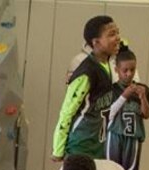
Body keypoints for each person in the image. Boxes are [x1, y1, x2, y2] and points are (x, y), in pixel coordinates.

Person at [52, 16, 122, 161]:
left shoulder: (108, 64)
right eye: (111, 34)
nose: (117, 38)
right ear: (95, 42)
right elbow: (67, 111)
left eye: (117, 33)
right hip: (80, 146)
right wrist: (58, 149)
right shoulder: (86, 72)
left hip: (98, 144)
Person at [106, 48, 149, 170]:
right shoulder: (111, 89)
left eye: (132, 70)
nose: (129, 74)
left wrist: (143, 97)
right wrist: (124, 96)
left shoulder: (142, 89)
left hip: (133, 137)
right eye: (125, 70)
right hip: (115, 134)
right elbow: (109, 114)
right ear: (116, 70)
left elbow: (146, 115)